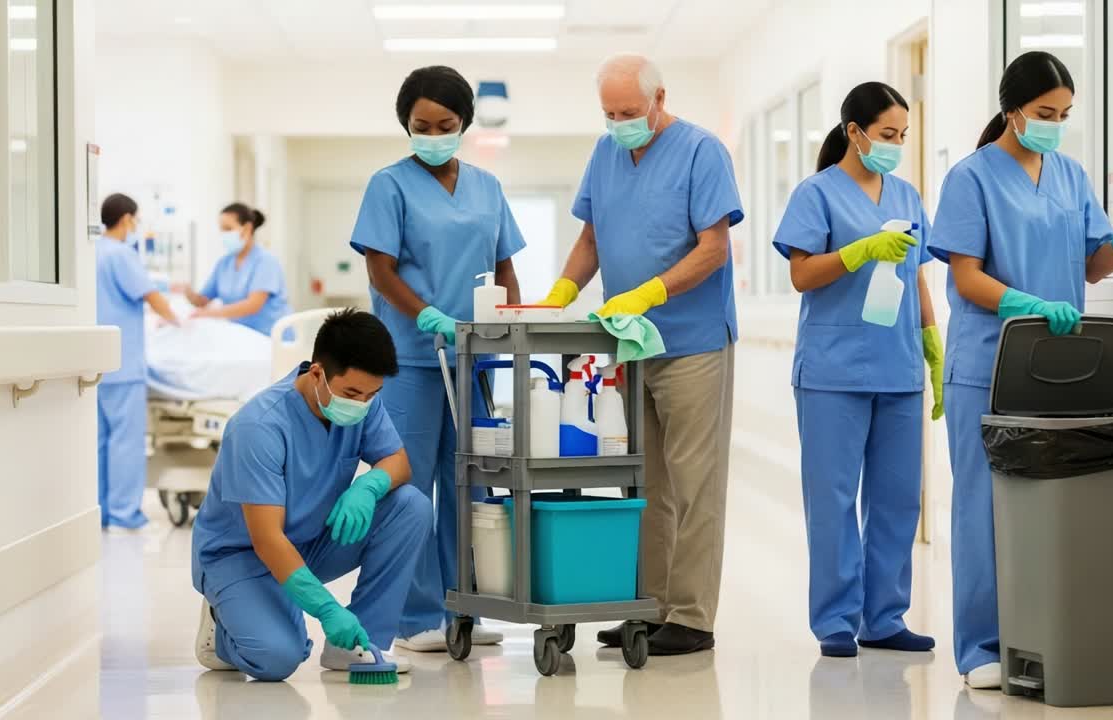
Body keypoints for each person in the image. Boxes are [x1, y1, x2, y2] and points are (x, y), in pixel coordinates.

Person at [928, 51, 1113, 690]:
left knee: (1051, 507)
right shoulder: (971, 178)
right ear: (1012, 111)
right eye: (1044, 113)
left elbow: (1093, 263)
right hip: (989, 363)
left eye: (1064, 115)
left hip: (1061, 368)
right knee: (983, 510)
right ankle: (980, 646)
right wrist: (1025, 304)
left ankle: (1044, 632)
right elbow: (966, 274)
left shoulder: (1069, 173)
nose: (1055, 124)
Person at [536, 53, 742, 656]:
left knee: (696, 482)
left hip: (692, 342)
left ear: (659, 99)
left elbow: (715, 248)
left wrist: (653, 290)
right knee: (644, 483)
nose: (620, 122)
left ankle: (692, 616)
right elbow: (592, 238)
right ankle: (649, 607)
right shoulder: (605, 154)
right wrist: (558, 295)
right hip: (629, 343)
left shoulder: (702, 151)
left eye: (630, 111)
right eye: (609, 113)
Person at [348, 65, 524, 652]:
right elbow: (380, 268)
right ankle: (415, 616)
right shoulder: (388, 185)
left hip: (472, 356)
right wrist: (425, 314)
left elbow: (504, 265)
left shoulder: (487, 187)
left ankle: (465, 606)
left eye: (444, 124)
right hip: (409, 357)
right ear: (406, 125)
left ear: (464, 123)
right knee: (411, 486)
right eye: (420, 125)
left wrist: (512, 326)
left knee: (470, 481)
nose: (432, 134)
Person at [771, 82, 943, 658]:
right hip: (832, 373)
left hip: (897, 371)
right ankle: (836, 621)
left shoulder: (907, 196)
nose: (895, 145)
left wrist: (932, 344)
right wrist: (858, 252)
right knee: (834, 500)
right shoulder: (816, 194)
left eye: (902, 136)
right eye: (887, 134)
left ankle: (885, 618)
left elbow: (918, 275)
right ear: (855, 132)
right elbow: (801, 274)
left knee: (897, 500)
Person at [190, 309, 432, 681]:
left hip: (309, 541)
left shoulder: (362, 401)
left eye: (372, 394)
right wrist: (326, 609)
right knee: (278, 658)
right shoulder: (258, 428)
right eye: (353, 393)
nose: (362, 403)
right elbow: (268, 539)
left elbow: (398, 462)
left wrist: (368, 487)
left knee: (411, 506)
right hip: (243, 555)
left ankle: (354, 646)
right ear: (316, 372)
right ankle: (223, 625)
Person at [95, 193, 180, 530]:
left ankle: (100, 511)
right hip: (124, 364)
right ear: (128, 219)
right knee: (126, 442)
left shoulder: (93, 252)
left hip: (95, 364)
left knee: (99, 443)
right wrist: (179, 322)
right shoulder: (121, 254)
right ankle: (124, 514)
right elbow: (151, 296)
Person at [176, 203, 291, 335]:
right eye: (222, 230)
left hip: (270, 338)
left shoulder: (265, 261)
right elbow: (202, 301)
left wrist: (209, 313)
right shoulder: (224, 263)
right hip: (242, 335)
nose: (224, 234)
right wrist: (187, 291)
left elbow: (253, 305)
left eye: (228, 229)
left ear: (247, 229)